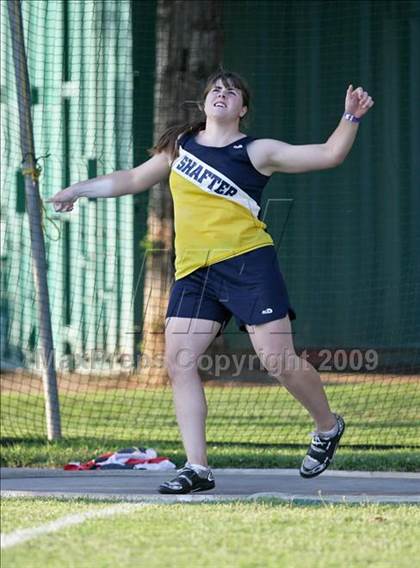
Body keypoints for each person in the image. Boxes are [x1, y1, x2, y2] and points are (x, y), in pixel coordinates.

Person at [49, 70, 374, 494]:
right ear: (204, 105)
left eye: (231, 91)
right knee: (179, 361)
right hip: (195, 272)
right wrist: (78, 189)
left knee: (278, 361)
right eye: (215, 90)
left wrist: (349, 117)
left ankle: (327, 427)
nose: (222, 94)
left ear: (242, 109)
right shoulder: (179, 149)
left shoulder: (257, 151)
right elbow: (130, 179)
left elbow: (330, 155)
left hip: (248, 265)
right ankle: (197, 467)